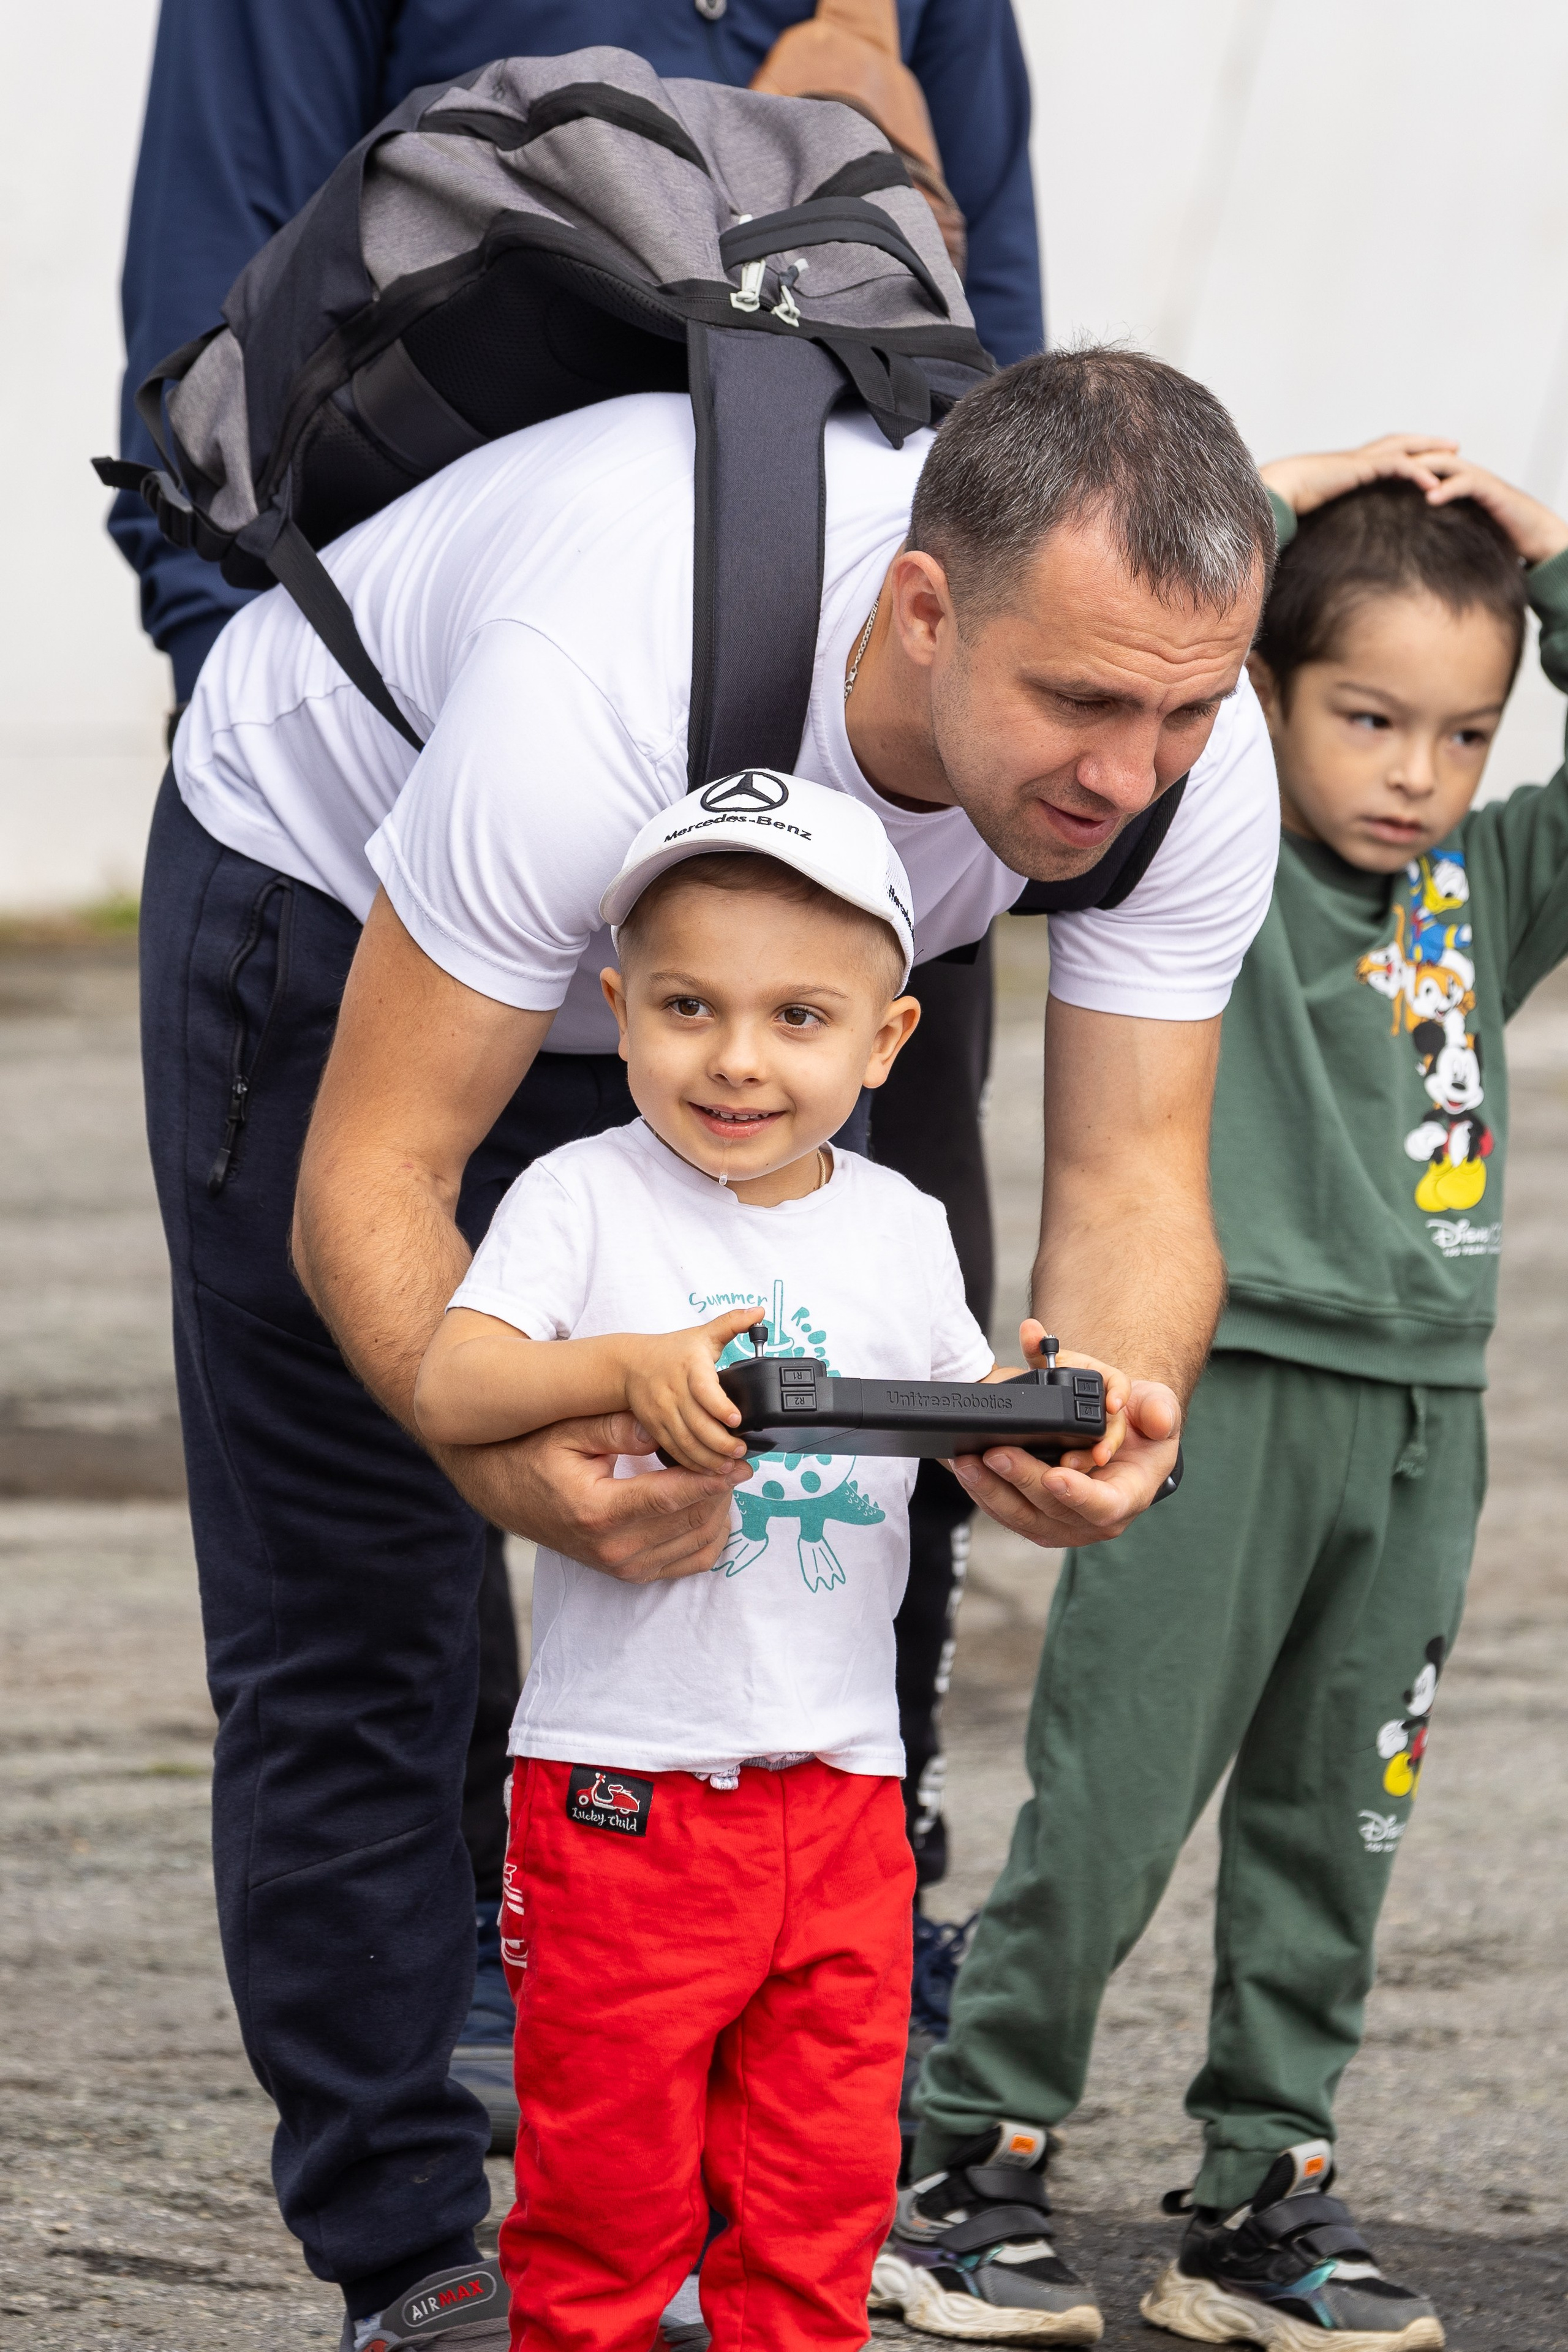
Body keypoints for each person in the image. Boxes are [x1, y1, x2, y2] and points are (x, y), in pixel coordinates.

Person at [138, 346, 1278, 2343]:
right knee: (367, 1617)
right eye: (1083, 701)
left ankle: (812, 2199)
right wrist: (514, 1455)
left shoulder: (1175, 755)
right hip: (346, 894)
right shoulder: (592, 678)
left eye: (1181, 710)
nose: (1130, 768)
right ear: (925, 614)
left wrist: (1092, 1407)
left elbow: (1136, 1188)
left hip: (825, 957)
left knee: (875, 1489)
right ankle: (412, 2247)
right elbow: (376, 1188)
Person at [111, 1, 1044, 2114]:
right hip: (406, 812)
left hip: (816, 851)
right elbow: (211, 339)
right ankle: (440, 2074)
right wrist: (319, 714)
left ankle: (824, 1938)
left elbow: (1006, 420)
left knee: (850, 1389)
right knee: (379, 1553)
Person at [881, 435, 1568, 2351]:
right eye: (1366, 717)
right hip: (1235, 1396)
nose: (1414, 774)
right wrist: (1292, 491)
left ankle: (1261, 2203)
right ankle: (964, 2174)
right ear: (1265, 695)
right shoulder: (1223, 845)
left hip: (1427, 1426)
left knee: (1339, 1827)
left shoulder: (1486, 887)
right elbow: (1149, 592)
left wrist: (1549, 556)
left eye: (1461, 730)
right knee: (1111, 1805)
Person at [408, 783, 1110, 2352]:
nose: (736, 1056)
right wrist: (625, 1368)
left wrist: (1039, 1427)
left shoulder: (901, 1224)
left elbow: (955, 1430)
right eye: (686, 1006)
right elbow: (452, 1386)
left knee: (821, 2191)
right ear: (616, 1012)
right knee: (602, 2198)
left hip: (842, 1786)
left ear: (884, 1039)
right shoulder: (578, 1198)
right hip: (624, 1789)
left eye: (798, 1015)